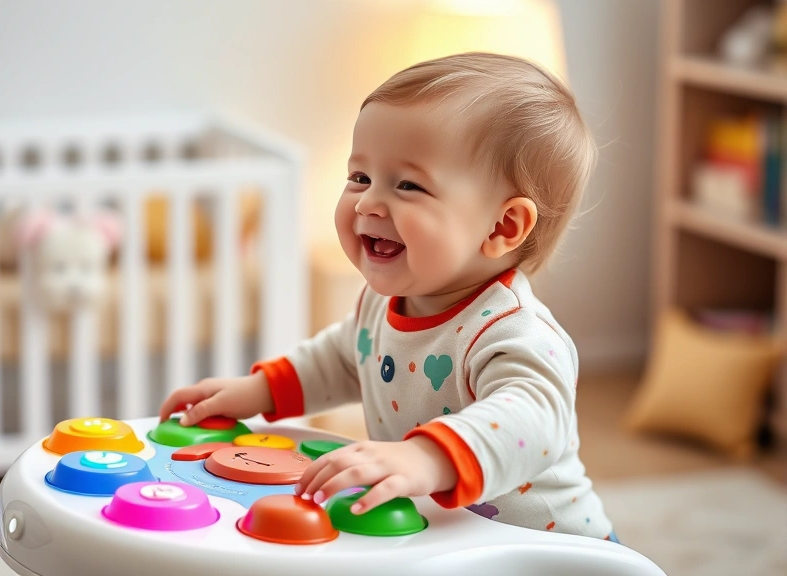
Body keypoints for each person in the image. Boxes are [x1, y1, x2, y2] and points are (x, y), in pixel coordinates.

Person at [159, 52, 615, 541]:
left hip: (549, 552)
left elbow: (532, 419)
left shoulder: (512, 331)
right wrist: (257, 391)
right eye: (360, 177)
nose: (369, 202)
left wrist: (425, 457)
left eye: (408, 185)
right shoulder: (382, 302)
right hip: (453, 537)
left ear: (502, 226)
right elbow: (343, 358)